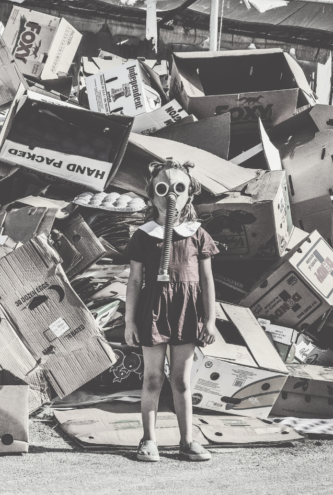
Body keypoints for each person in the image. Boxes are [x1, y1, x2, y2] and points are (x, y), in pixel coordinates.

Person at [124, 159, 219, 462]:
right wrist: (129, 321)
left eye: (179, 189)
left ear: (189, 194)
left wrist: (210, 319)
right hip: (153, 309)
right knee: (153, 378)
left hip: (186, 311)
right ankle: (148, 440)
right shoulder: (143, 235)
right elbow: (135, 280)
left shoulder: (197, 234)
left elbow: (206, 279)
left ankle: (186, 441)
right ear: (152, 196)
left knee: (181, 380)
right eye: (163, 190)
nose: (170, 198)